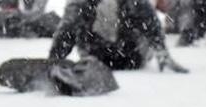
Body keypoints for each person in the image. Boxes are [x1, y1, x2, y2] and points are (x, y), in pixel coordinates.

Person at [48, 0, 188, 72]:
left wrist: (54, 58)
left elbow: (149, 20)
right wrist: (54, 60)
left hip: (113, 57)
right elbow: (68, 27)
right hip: (112, 57)